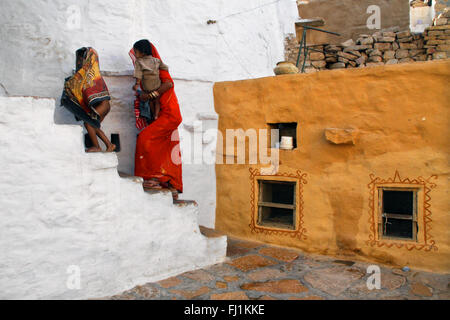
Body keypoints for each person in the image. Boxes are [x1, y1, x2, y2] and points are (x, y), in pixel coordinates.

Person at [129, 40, 183, 198]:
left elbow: (168, 84)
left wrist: (150, 95)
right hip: (164, 114)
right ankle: (170, 184)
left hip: (170, 113)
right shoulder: (148, 71)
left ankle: (151, 177)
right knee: (166, 148)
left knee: (145, 138)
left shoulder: (157, 66)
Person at [61, 47, 116, 153]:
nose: (78, 62)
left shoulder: (88, 74)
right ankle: (110, 145)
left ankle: (97, 147)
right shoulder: (90, 74)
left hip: (102, 105)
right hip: (103, 105)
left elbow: (80, 87)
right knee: (93, 125)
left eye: (80, 59)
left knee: (88, 123)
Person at [132, 39, 169, 123]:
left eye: (136, 52)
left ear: (143, 52)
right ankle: (156, 115)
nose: (134, 54)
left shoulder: (139, 62)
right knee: (157, 101)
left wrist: (136, 84)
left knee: (150, 102)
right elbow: (165, 68)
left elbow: (138, 74)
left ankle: (153, 116)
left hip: (147, 88)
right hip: (157, 86)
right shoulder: (156, 60)